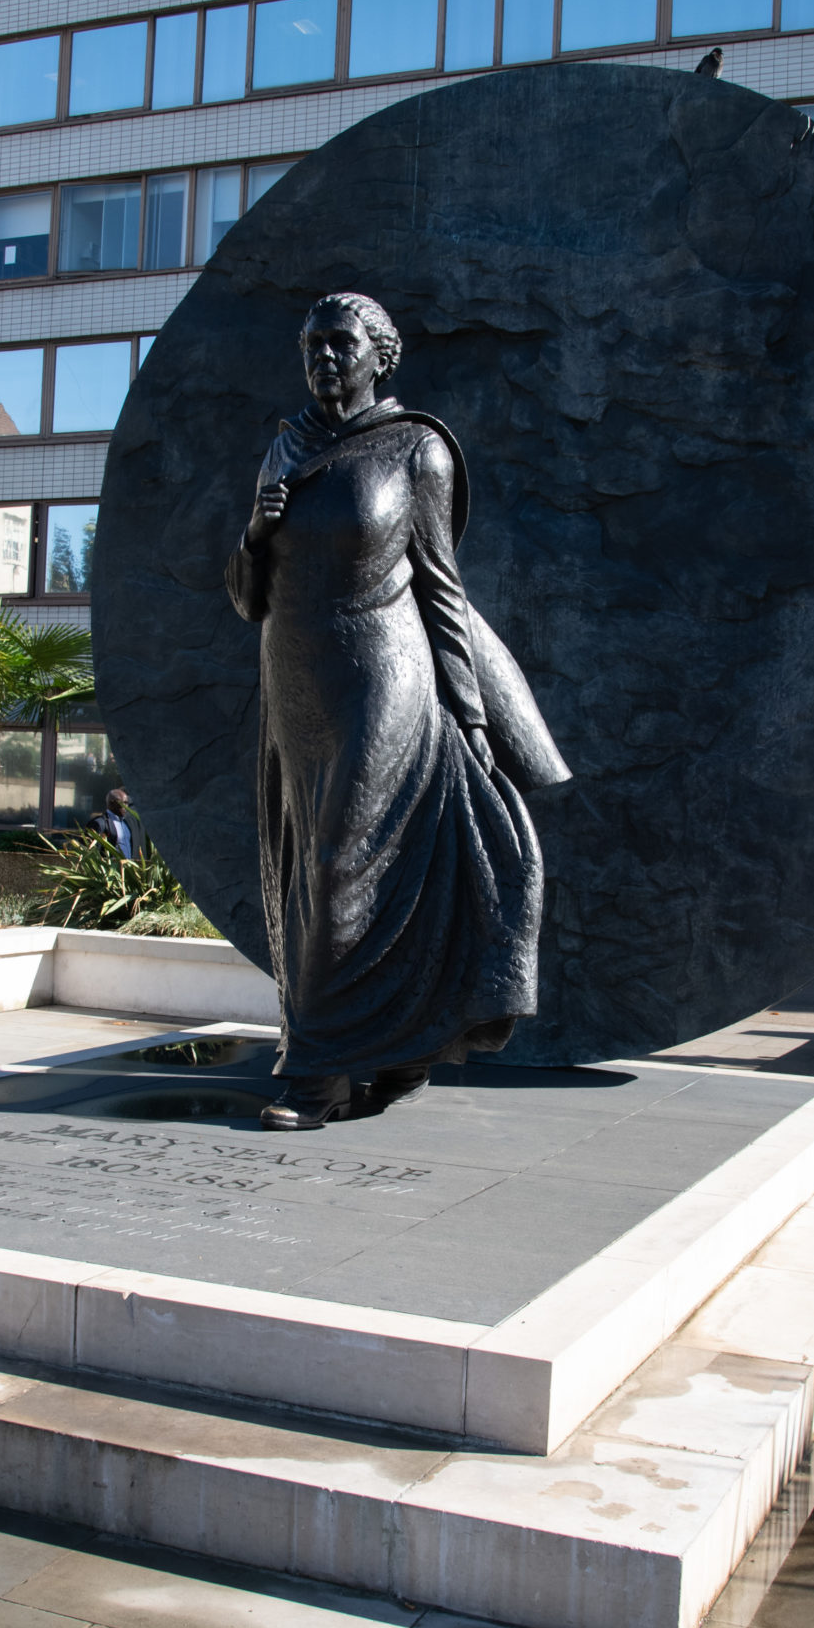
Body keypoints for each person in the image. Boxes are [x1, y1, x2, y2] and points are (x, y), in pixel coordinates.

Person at [228, 292, 566, 1131]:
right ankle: (400, 1048)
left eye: (341, 343)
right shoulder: (285, 447)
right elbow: (247, 601)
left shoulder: (416, 450)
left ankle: (317, 1077)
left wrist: (474, 718)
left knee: (346, 861)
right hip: (297, 685)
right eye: (312, 344)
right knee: (313, 874)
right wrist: (254, 535)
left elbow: (444, 595)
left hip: (384, 679)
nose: (325, 358)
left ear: (381, 353)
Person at [85, 787, 137, 859]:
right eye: (123, 803)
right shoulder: (99, 823)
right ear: (112, 804)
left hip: (126, 867)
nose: (126, 807)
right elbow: (89, 850)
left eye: (127, 803)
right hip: (110, 868)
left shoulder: (125, 824)